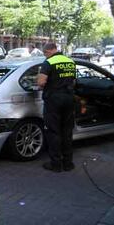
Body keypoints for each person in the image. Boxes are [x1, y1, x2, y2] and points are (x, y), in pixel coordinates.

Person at [37, 42, 76, 172]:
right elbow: (74, 81)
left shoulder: (48, 62)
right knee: (67, 131)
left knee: (53, 131)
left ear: (48, 51)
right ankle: (68, 163)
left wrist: (40, 85)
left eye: (45, 54)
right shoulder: (70, 61)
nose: (45, 56)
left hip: (54, 100)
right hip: (69, 99)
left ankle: (56, 164)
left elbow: (41, 82)